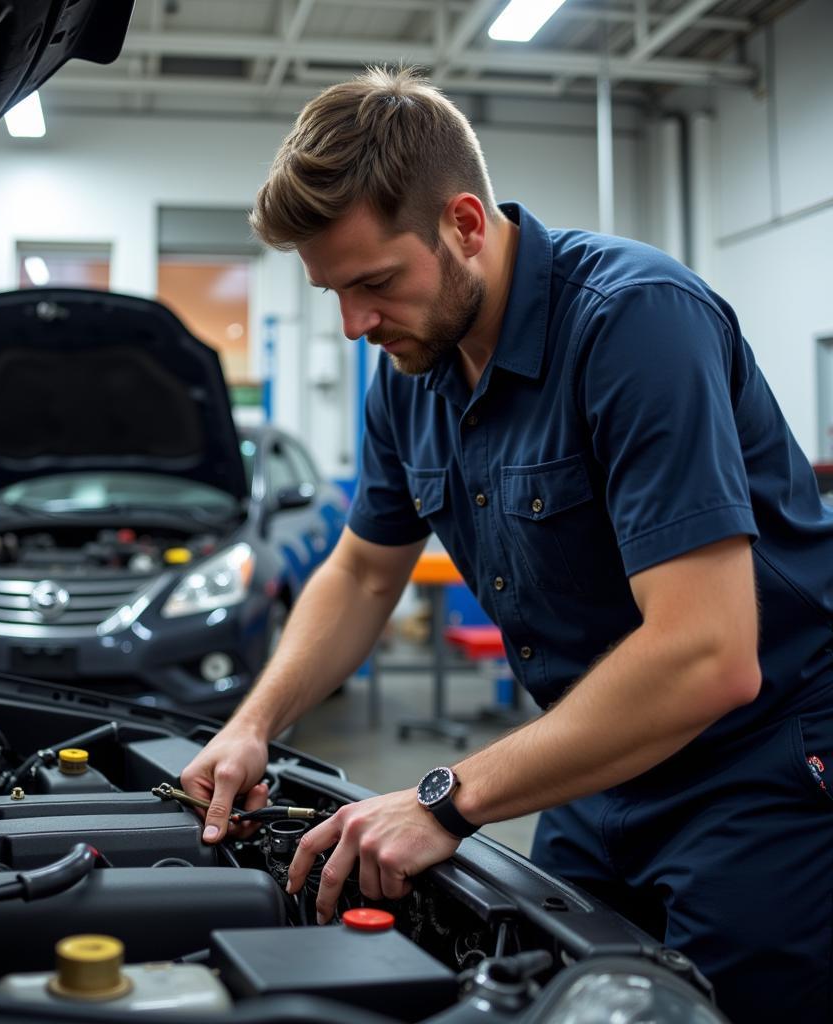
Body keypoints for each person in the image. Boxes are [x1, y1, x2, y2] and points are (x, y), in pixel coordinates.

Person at [180, 66, 833, 1023]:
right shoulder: (410, 374)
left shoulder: (634, 320)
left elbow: (708, 656)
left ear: (466, 225)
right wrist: (252, 722)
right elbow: (363, 570)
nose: (356, 325)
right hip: (593, 757)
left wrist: (446, 798)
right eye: (334, 292)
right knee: (543, 994)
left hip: (755, 766)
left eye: (373, 283)